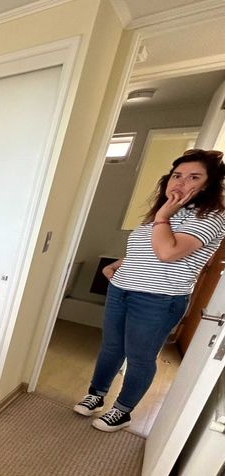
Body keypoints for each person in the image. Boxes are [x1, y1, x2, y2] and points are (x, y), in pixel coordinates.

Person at [74, 148, 225, 432]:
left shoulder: (211, 216)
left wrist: (164, 214)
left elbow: (168, 252)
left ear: (208, 184)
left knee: (139, 357)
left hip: (158, 300)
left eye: (194, 177)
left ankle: (122, 411)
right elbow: (147, 249)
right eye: (177, 175)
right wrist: (118, 264)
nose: (181, 182)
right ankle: (96, 394)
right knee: (111, 348)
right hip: (122, 289)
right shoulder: (163, 213)